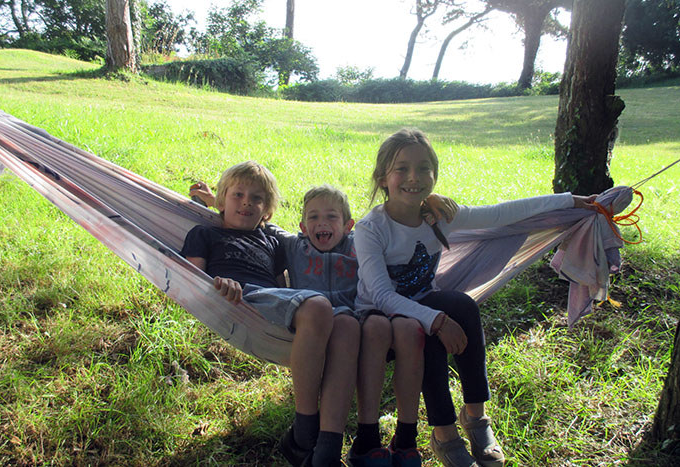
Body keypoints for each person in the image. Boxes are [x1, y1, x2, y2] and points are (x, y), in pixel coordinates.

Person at [352, 128, 597, 467]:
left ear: (435, 175)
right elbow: (380, 294)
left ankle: (476, 417)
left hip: (422, 301)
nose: (414, 177)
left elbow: (502, 214)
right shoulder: (371, 229)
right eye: (402, 168)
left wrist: (568, 202)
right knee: (429, 335)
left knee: (462, 305)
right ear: (382, 179)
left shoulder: (437, 217)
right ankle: (444, 433)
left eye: (424, 168)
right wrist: (437, 321)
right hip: (379, 317)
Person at [182, 161, 358, 467]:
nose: (247, 202)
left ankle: (327, 447)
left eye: (257, 198)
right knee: (319, 305)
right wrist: (215, 284)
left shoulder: (271, 240)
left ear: (267, 212)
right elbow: (189, 279)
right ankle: (304, 431)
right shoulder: (204, 234)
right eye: (238, 195)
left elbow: (280, 286)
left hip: (274, 307)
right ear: (223, 201)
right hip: (237, 300)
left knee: (347, 326)